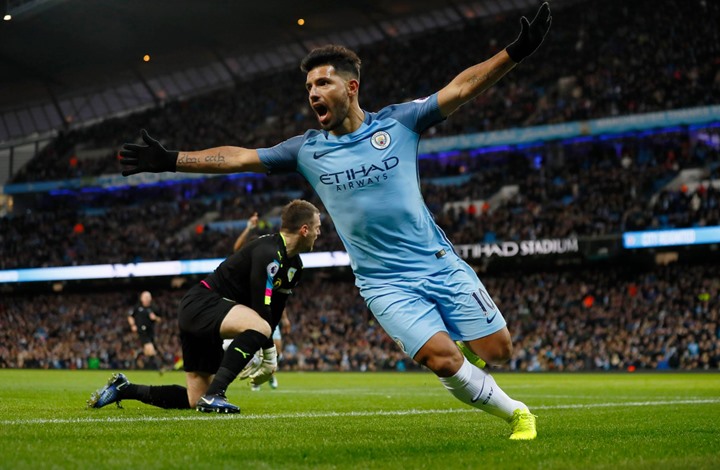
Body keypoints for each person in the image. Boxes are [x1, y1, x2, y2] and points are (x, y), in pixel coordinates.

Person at [118, 3, 551, 439]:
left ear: (351, 87)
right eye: (308, 86)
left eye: (322, 82)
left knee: (499, 351)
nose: (312, 92)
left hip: (438, 262)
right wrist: (171, 160)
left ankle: (470, 351)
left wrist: (514, 53)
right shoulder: (306, 149)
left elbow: (460, 89)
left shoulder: (400, 122)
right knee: (440, 358)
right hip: (383, 283)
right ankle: (517, 413)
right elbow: (239, 158)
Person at [88, 199, 321, 413]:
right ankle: (216, 395)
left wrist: (269, 353)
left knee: (193, 398)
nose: (319, 233)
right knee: (260, 326)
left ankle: (124, 388)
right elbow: (262, 309)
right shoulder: (269, 251)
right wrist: (270, 356)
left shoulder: (295, 266)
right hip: (202, 303)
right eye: (317, 227)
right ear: (304, 229)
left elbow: (275, 310)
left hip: (214, 311)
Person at [232, 211, 288, 390]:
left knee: (277, 348)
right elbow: (236, 248)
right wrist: (248, 227)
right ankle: (256, 378)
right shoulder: (248, 262)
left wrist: (285, 317)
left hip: (269, 311)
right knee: (257, 346)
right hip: (251, 310)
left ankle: (270, 374)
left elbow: (278, 294)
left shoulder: (271, 264)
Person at [127, 291, 164, 371]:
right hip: (141, 331)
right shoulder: (137, 307)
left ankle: (137, 358)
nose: (147, 299)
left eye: (148, 297)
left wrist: (155, 318)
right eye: (145, 297)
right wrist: (133, 325)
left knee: (148, 352)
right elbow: (130, 316)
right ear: (141, 298)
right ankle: (158, 368)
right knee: (151, 349)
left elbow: (160, 319)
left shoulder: (154, 308)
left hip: (151, 332)